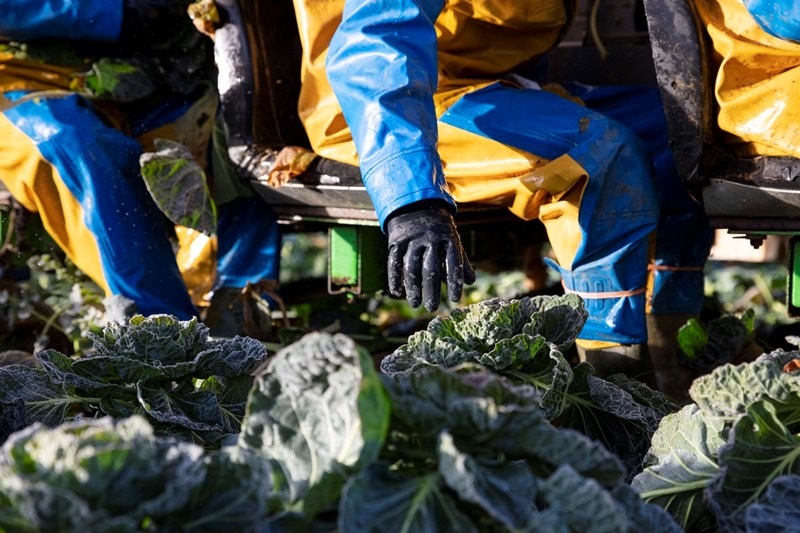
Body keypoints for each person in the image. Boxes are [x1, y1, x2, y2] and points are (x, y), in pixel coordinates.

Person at [270, 0, 714, 394]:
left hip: (488, 86)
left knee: (682, 132)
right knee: (600, 158)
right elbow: (375, 44)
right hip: (381, 106)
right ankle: (616, 386)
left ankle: (674, 355)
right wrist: (412, 199)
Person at [0, 0, 281, 336]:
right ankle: (159, 335)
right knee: (81, 148)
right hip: (18, 76)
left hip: (151, 64)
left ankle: (242, 316)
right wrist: (114, 13)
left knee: (242, 134)